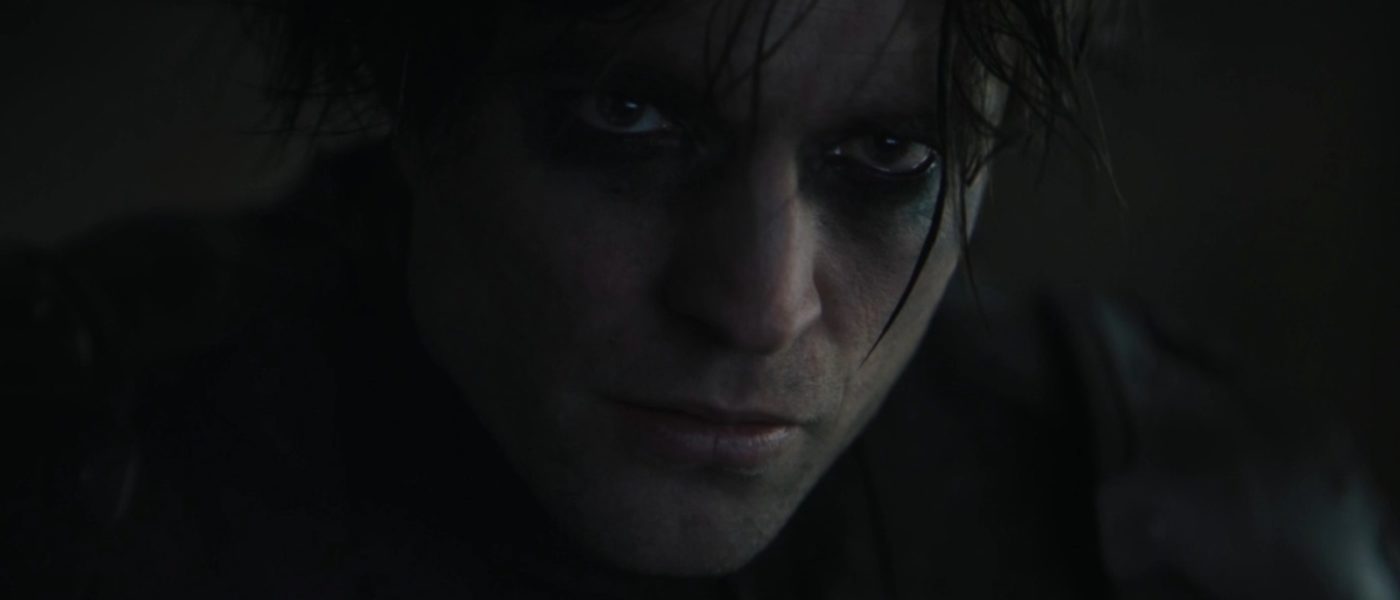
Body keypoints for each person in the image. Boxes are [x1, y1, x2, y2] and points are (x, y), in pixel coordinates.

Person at [2, 0, 1395, 598]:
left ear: (982, 174)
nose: (757, 306)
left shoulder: (1165, 525)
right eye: (630, 121)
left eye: (886, 159)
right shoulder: (71, 466)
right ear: (423, 102)